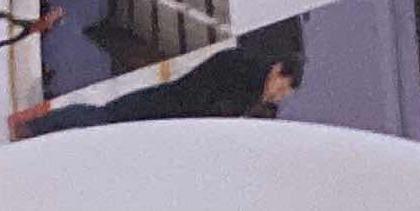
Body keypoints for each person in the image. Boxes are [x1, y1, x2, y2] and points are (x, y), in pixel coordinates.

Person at [26, 40, 302, 136]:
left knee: (105, 117)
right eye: (283, 88)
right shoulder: (244, 77)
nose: (277, 96)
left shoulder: (245, 74)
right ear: (278, 70)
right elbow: (207, 106)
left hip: (165, 108)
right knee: (104, 118)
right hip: (164, 110)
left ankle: (39, 128)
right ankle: (36, 128)